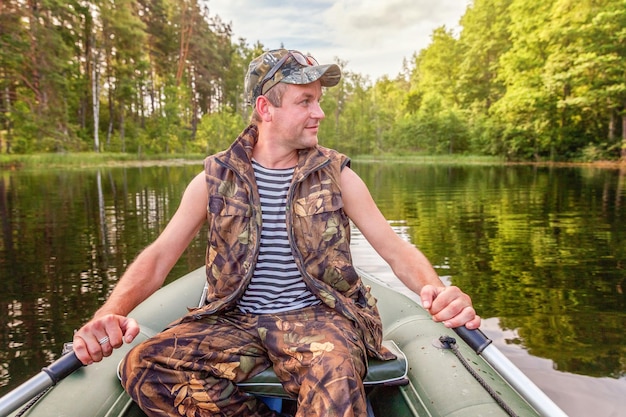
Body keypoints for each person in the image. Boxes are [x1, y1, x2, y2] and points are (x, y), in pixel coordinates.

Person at [72, 48, 480, 417]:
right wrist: (107, 315)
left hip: (322, 318)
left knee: (335, 372)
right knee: (143, 366)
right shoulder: (214, 178)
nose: (318, 112)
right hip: (235, 319)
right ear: (266, 108)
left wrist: (437, 290)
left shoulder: (338, 175)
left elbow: (394, 250)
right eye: (306, 101)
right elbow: (159, 257)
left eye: (319, 100)